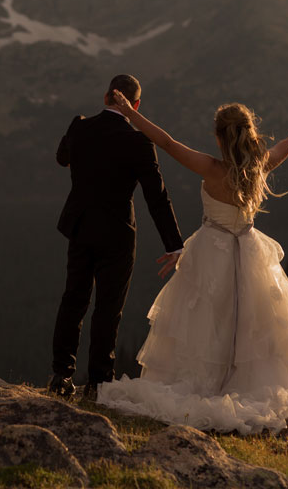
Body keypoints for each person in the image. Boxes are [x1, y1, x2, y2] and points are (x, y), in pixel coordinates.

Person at [97, 91, 288, 434]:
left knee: (205, 320)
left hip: (210, 251)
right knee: (254, 324)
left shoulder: (211, 168)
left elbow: (167, 143)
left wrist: (131, 113)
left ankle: (210, 385)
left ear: (218, 136)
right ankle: (243, 385)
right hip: (249, 251)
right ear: (249, 135)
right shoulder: (259, 166)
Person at [48, 74, 184, 401]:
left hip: (80, 226)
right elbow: (157, 196)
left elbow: (62, 158)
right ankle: (98, 383)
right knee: (108, 308)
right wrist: (174, 244)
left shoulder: (79, 127)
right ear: (135, 105)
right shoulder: (138, 142)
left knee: (73, 298)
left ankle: (60, 375)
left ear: (106, 96)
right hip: (118, 233)